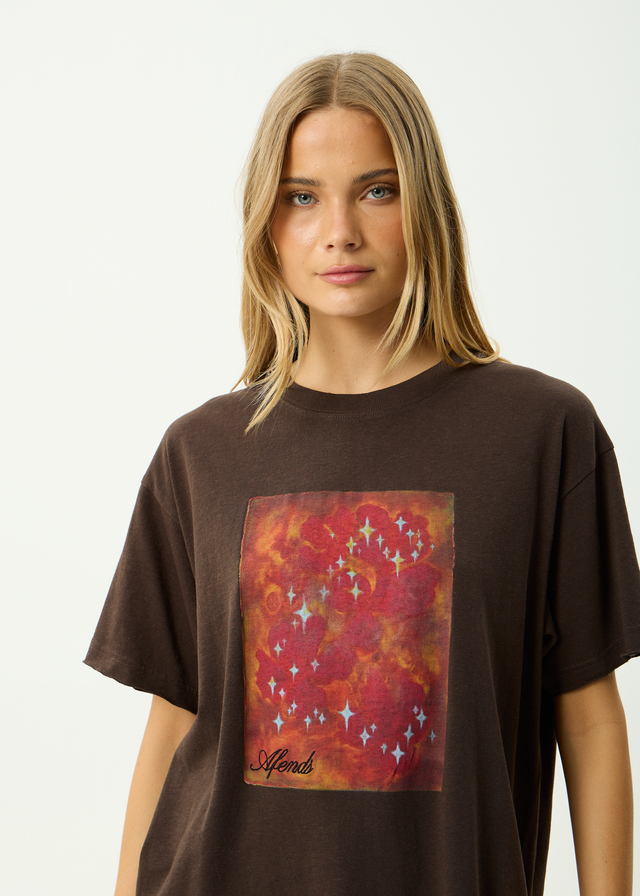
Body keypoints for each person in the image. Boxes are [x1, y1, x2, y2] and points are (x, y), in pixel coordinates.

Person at [85, 52, 640, 896]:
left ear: (427, 206)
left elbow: (591, 722)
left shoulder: (543, 432)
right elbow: (174, 723)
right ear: (267, 223)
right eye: (302, 197)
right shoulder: (201, 452)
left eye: (377, 191)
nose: (338, 230)